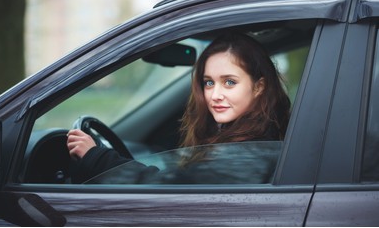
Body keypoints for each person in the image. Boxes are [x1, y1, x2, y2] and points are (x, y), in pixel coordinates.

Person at [67, 32, 290, 183]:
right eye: (209, 82)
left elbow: (163, 191)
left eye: (229, 82)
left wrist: (97, 158)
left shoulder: (246, 154)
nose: (215, 95)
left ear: (259, 87)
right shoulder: (263, 134)